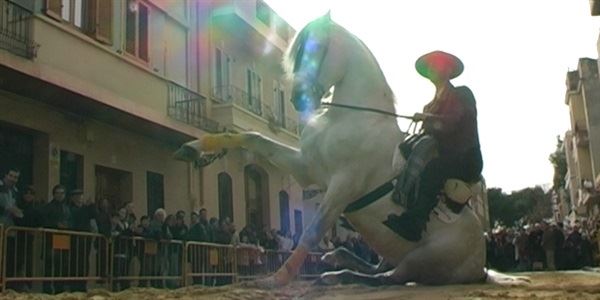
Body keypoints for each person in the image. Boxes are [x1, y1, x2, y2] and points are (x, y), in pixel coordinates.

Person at [384, 51, 483, 241]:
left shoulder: (462, 93)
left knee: (433, 171)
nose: (433, 69)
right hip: (444, 155)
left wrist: (427, 119)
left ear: (448, 70)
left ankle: (414, 226)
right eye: (430, 66)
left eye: (437, 65)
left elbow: (454, 121)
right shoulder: (429, 106)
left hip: (466, 158)